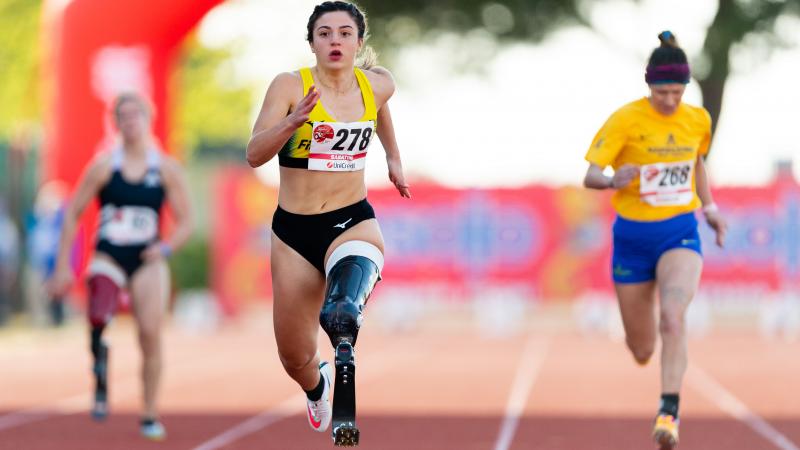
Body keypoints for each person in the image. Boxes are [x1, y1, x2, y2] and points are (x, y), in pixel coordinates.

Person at [246, 1, 410, 445]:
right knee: (294, 356)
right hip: (294, 233)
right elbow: (254, 154)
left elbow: (380, 110)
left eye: (343, 33)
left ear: (358, 41)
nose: (334, 41)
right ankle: (317, 386)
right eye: (324, 34)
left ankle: (343, 348)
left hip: (352, 218)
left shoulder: (377, 84)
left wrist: (393, 159)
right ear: (312, 42)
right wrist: (293, 121)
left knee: (340, 311)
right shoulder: (288, 86)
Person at [583, 31, 727, 450]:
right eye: (662, 91)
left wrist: (711, 208)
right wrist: (612, 180)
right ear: (649, 86)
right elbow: (589, 174)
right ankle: (645, 354)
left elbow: (697, 163)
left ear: (686, 87)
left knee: (674, 317)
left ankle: (669, 411)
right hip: (632, 238)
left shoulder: (697, 119)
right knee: (642, 347)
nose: (669, 100)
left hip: (679, 231)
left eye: (677, 91)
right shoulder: (626, 119)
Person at [50, 92, 193, 441]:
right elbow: (73, 212)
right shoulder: (104, 166)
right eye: (123, 116)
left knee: (150, 333)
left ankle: (149, 412)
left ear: (148, 118)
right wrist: (62, 267)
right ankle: (99, 364)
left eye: (136, 115)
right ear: (116, 122)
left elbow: (187, 220)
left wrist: (165, 247)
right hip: (109, 254)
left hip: (147, 258)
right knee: (98, 311)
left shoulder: (165, 168)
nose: (130, 122)